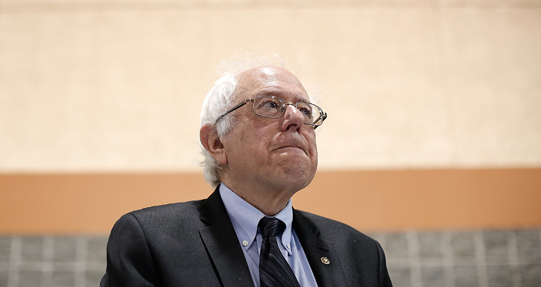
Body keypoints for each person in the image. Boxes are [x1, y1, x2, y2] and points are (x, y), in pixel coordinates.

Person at [101, 57, 392, 287]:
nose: (295, 119)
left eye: (305, 110)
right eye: (270, 105)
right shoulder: (151, 241)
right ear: (217, 143)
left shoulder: (360, 253)